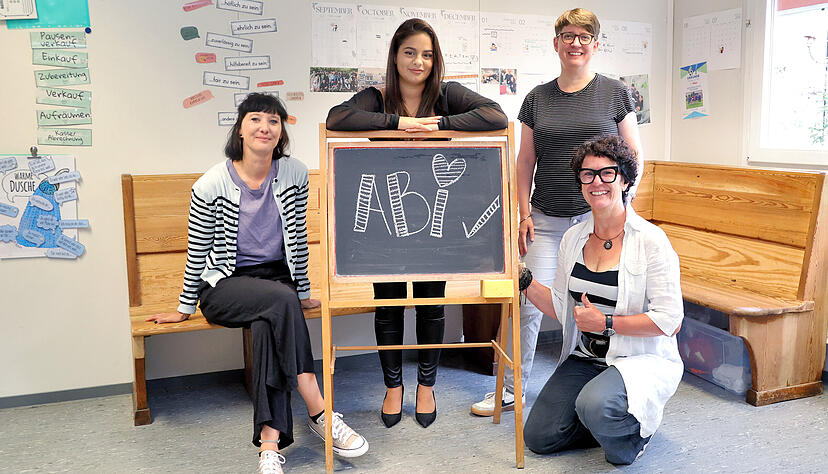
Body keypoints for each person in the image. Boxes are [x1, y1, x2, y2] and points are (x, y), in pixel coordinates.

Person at [147, 93, 368, 474]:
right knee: (280, 303)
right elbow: (197, 252)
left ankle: (269, 444)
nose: (264, 127)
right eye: (255, 120)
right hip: (223, 285)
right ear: (240, 129)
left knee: (270, 323)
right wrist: (184, 309)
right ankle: (319, 409)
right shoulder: (211, 183)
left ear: (280, 132)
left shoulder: (294, 173)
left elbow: (296, 237)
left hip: (274, 284)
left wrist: (302, 292)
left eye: (273, 121)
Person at [326, 18, 507, 429]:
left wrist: (438, 124)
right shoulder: (377, 97)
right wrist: (399, 123)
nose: (418, 61)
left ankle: (427, 385)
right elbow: (337, 118)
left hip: (435, 222)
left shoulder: (446, 95)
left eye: (426, 54)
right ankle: (393, 387)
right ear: (395, 56)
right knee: (388, 305)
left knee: (430, 301)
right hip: (385, 219)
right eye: (409, 52)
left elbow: (495, 116)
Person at [471, 7, 644, 417]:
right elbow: (523, 161)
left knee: (591, 304)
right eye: (568, 35)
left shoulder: (616, 93)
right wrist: (523, 213)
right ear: (556, 43)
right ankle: (512, 389)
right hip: (546, 220)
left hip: (597, 222)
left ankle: (587, 388)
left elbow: (633, 155)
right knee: (528, 303)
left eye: (584, 36)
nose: (576, 43)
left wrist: (624, 208)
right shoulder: (536, 99)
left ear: (596, 44)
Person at [519, 135, 683, 464]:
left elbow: (670, 321)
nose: (597, 182)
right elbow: (562, 308)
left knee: (597, 409)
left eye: (607, 173)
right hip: (586, 358)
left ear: (624, 178)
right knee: (538, 436)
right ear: (580, 181)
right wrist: (523, 280)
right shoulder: (573, 238)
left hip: (635, 358)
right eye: (587, 174)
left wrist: (607, 323)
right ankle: (600, 415)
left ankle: (635, 434)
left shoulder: (651, 241)